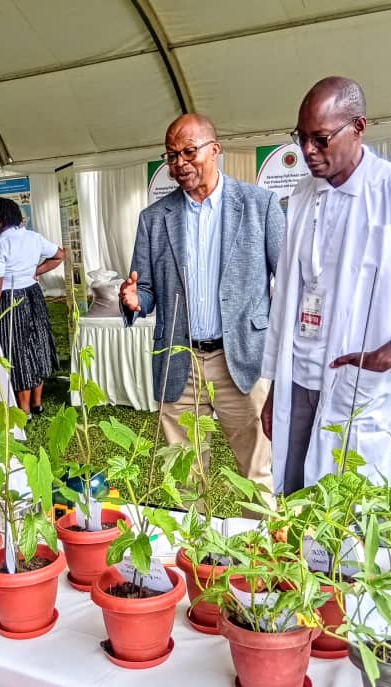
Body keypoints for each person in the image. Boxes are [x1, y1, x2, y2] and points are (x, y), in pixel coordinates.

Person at [261, 77, 391, 494]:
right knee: (293, 502)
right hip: (299, 378)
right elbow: (288, 294)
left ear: (359, 127)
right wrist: (276, 388)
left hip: (355, 382)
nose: (308, 151)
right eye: (302, 137)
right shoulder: (305, 193)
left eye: (321, 138)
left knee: (346, 515)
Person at [120, 114, 284, 492]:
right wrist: (134, 301)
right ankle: (191, 552)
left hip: (242, 359)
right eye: (172, 155)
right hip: (180, 362)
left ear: (215, 149)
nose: (180, 163)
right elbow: (144, 290)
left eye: (189, 152)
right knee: (185, 479)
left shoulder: (260, 205)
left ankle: (262, 550)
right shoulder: (154, 219)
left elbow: (290, 282)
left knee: (257, 476)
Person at [0, 197, 66, 415]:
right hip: (33, 295)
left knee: (17, 353)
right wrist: (35, 271)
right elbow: (60, 255)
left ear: (2, 218)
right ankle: (37, 404)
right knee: (38, 346)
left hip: (10, 300)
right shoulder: (33, 237)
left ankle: (24, 411)